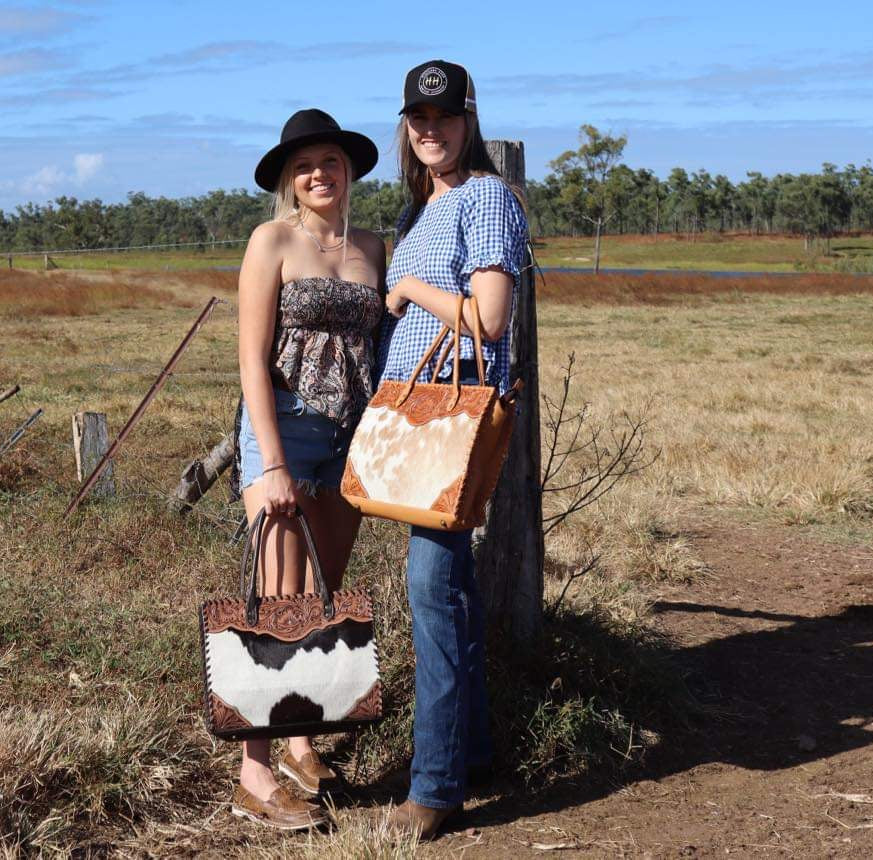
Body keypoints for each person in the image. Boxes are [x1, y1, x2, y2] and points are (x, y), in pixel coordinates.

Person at [376, 60, 529, 839]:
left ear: (468, 119)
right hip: (414, 417)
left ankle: (433, 787)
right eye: (417, 118)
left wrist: (408, 288)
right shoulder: (418, 209)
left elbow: (492, 318)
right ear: (406, 126)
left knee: (432, 593)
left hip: (452, 416)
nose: (430, 129)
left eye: (444, 116)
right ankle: (472, 753)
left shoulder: (486, 198)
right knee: (454, 591)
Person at [231, 108, 386, 831]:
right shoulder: (274, 241)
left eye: (329, 161)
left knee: (321, 606)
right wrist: (271, 462)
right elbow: (251, 361)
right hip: (285, 433)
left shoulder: (371, 248)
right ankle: (252, 777)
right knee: (280, 603)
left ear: (347, 169)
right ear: (288, 182)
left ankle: (300, 747)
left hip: (348, 440)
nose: (318, 174)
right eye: (304, 166)